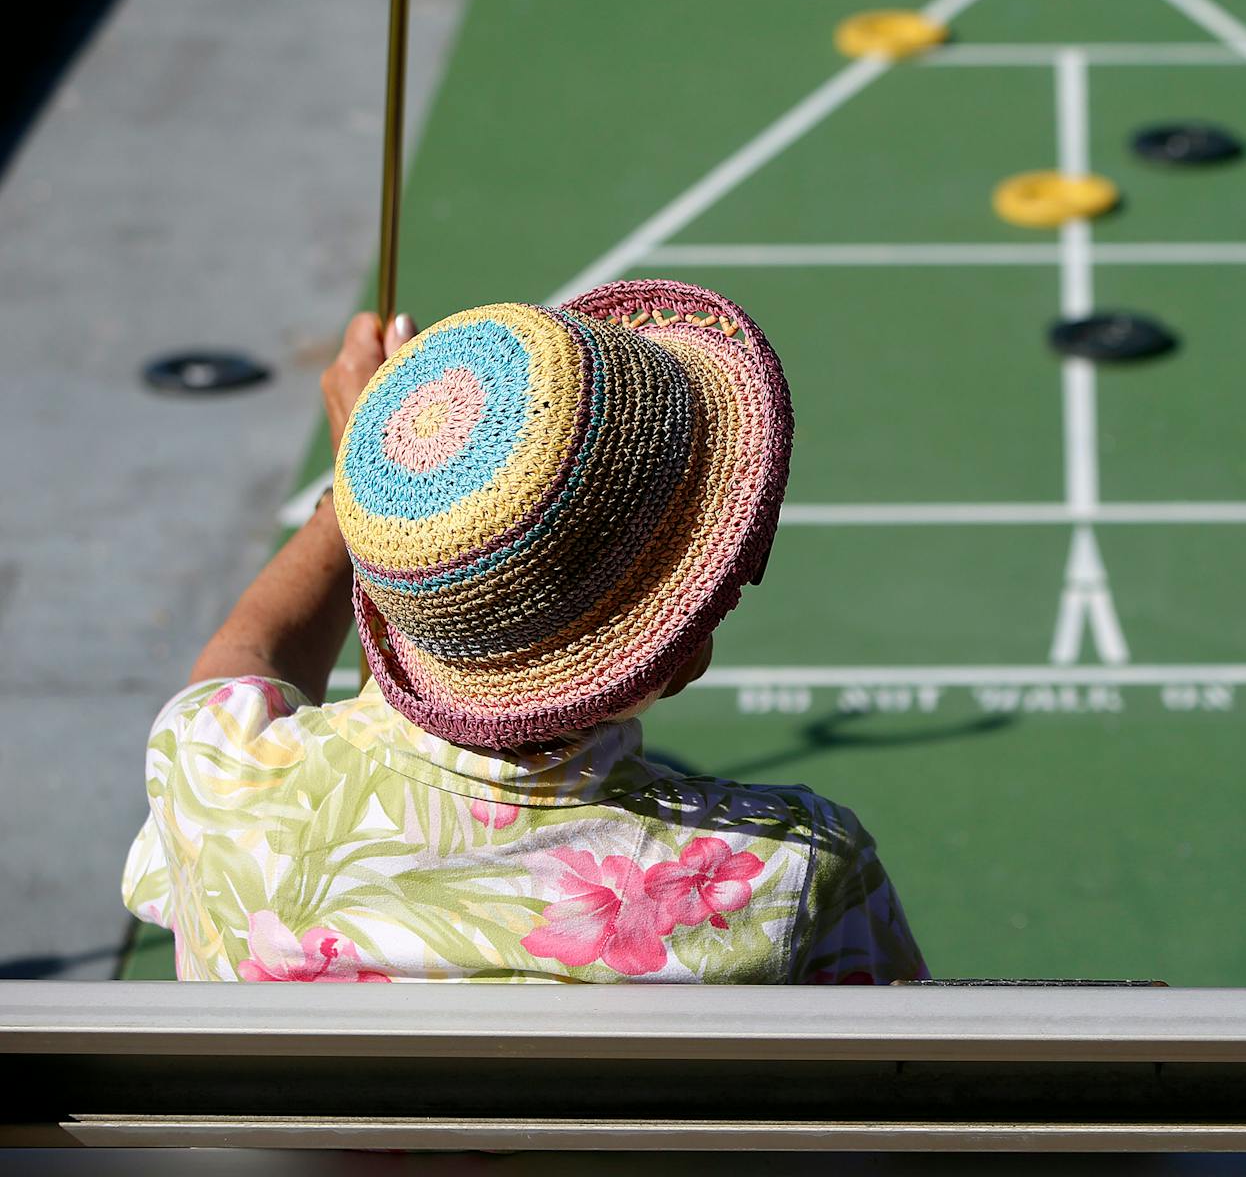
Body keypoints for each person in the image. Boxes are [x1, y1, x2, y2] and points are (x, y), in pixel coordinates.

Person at [124, 279, 925, 983]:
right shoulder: (796, 875)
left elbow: (238, 665)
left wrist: (358, 491)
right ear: (681, 654)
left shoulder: (215, 791)